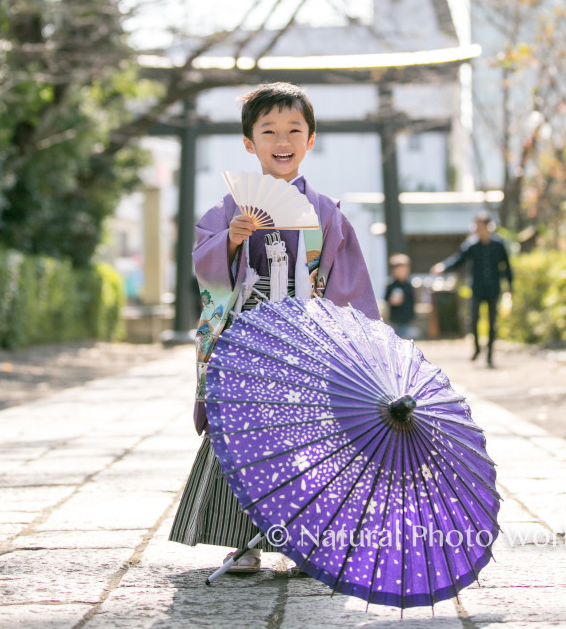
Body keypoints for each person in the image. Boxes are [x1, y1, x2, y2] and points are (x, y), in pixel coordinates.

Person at [169, 81, 380, 573]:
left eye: (294, 130)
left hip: (308, 339)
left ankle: (309, 541)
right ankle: (241, 539)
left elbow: (348, 281)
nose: (281, 140)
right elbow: (206, 270)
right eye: (268, 131)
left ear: (310, 140)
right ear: (249, 143)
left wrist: (351, 339)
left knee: (310, 438)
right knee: (239, 432)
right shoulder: (229, 210)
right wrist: (230, 242)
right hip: (247, 336)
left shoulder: (327, 214)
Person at [431, 212, 512, 368]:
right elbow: (458, 259)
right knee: (474, 319)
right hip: (477, 288)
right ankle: (476, 349)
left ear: (488, 226)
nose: (477, 229)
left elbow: (507, 267)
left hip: (493, 288)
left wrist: (510, 286)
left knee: (492, 322)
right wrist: (443, 267)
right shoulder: (471, 245)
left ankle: (489, 355)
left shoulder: (498, 244)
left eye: (480, 225)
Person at [383, 253, 415, 338]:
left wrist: (412, 314)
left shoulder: (409, 284)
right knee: (395, 338)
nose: (402, 272)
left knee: (405, 338)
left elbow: (412, 300)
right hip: (395, 317)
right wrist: (392, 301)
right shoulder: (391, 284)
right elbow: (386, 299)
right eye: (399, 270)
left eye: (404, 269)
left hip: (406, 317)